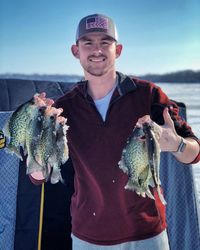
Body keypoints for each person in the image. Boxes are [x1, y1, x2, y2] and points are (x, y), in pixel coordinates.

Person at [31, 14, 200, 249]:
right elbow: (38, 176)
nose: (96, 50)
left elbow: (195, 152)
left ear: (118, 50)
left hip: (147, 233)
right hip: (87, 235)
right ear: (75, 50)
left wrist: (177, 145)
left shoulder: (148, 94)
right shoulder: (63, 108)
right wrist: (37, 144)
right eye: (88, 42)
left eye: (105, 42)